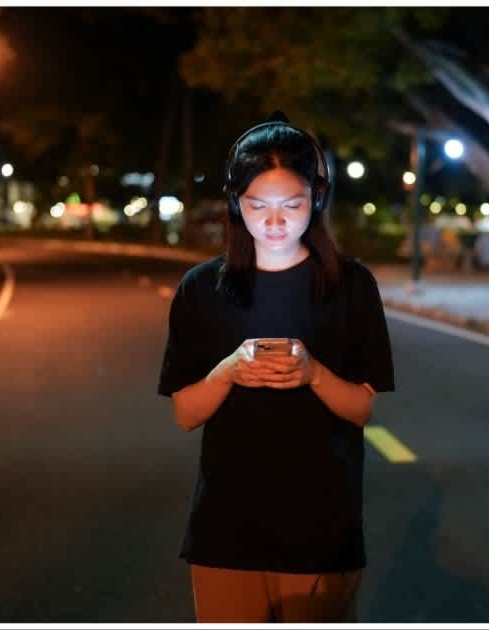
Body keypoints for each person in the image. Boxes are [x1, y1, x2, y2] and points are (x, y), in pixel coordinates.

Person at [158, 111, 395, 622]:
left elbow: (360, 409)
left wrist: (314, 374)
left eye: (292, 204)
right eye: (256, 205)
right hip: (225, 533)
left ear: (319, 198)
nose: (274, 221)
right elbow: (185, 413)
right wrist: (227, 371)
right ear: (234, 204)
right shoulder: (201, 290)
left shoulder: (351, 286)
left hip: (322, 530)